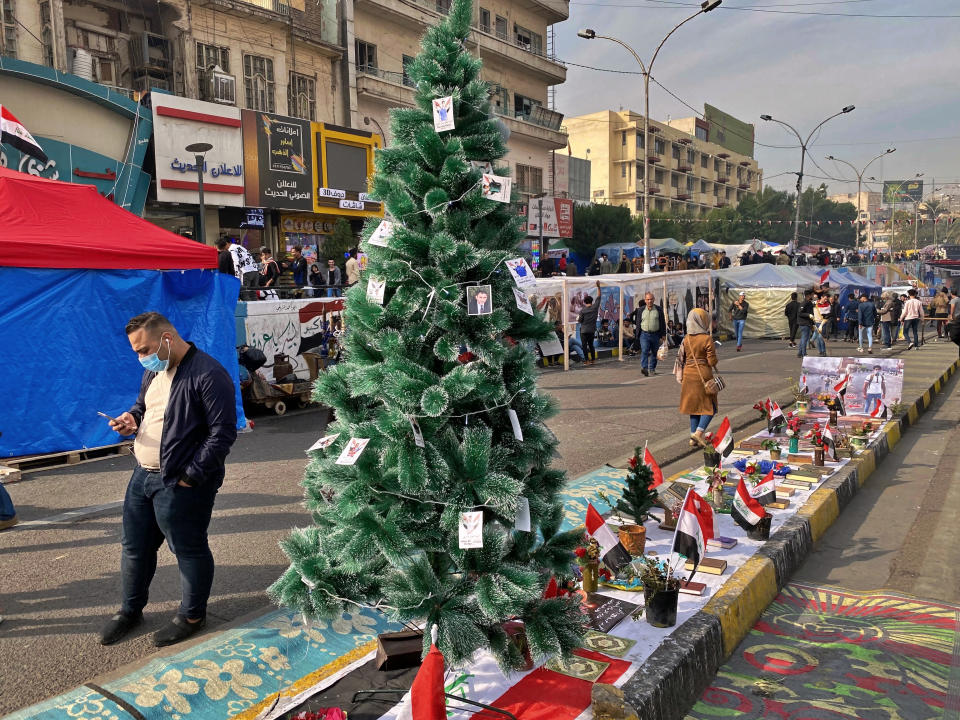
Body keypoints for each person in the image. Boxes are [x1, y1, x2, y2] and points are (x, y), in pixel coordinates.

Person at [99, 312, 237, 647]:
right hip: (142, 476)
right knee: (134, 548)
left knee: (188, 549)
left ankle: (192, 615)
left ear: (167, 338)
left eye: (144, 349)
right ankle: (130, 611)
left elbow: (222, 435)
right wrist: (130, 419)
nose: (141, 357)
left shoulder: (208, 374)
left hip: (180, 481)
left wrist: (191, 477)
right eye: (136, 352)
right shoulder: (153, 373)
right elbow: (143, 407)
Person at [677, 308, 719, 447]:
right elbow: (712, 361)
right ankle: (699, 433)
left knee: (693, 407)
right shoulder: (706, 338)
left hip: (688, 375)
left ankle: (692, 438)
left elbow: (681, 358)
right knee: (710, 407)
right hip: (703, 374)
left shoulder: (686, 338)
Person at [634, 291, 666, 377]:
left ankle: (652, 368)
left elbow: (662, 322)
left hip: (656, 334)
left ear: (654, 299)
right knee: (644, 350)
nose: (649, 301)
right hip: (644, 334)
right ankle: (644, 368)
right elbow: (638, 322)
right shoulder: (641, 310)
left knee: (654, 352)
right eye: (648, 299)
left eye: (651, 299)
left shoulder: (658, 309)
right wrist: (637, 335)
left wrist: (663, 334)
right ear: (645, 300)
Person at [797, 289, 825, 357]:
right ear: (808, 295)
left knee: (803, 338)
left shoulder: (809, 302)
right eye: (811, 295)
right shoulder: (805, 303)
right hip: (804, 323)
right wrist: (808, 315)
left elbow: (811, 313)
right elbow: (800, 313)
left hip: (807, 323)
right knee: (805, 338)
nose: (812, 296)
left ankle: (800, 353)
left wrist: (813, 324)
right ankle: (804, 353)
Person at [577, 285, 600, 365]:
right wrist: (599, 287)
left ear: (584, 302)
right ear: (591, 301)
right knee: (591, 345)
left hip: (583, 330)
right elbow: (599, 297)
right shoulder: (595, 308)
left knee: (584, 346)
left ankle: (586, 360)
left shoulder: (582, 311)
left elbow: (580, 320)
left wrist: (579, 319)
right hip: (592, 330)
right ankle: (593, 360)